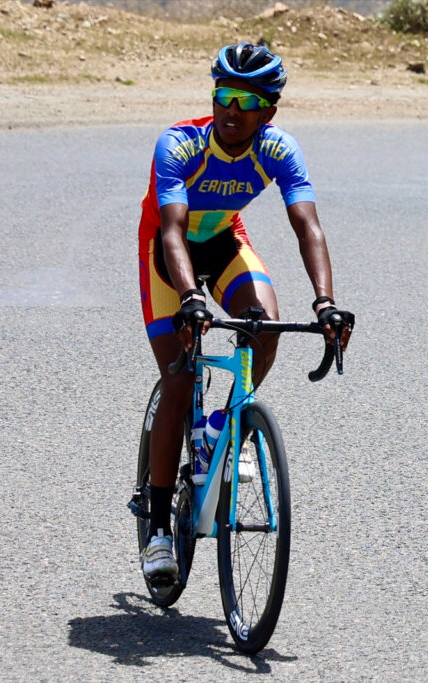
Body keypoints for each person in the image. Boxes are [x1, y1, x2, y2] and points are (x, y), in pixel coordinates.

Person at [137, 42, 351, 583]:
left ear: (269, 112)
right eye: (224, 96)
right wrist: (190, 298)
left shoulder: (279, 149)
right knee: (180, 379)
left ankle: (218, 428)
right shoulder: (180, 144)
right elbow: (171, 231)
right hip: (169, 253)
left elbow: (308, 226)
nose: (231, 110)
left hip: (225, 241)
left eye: (247, 101)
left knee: (267, 329)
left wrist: (325, 302)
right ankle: (160, 528)